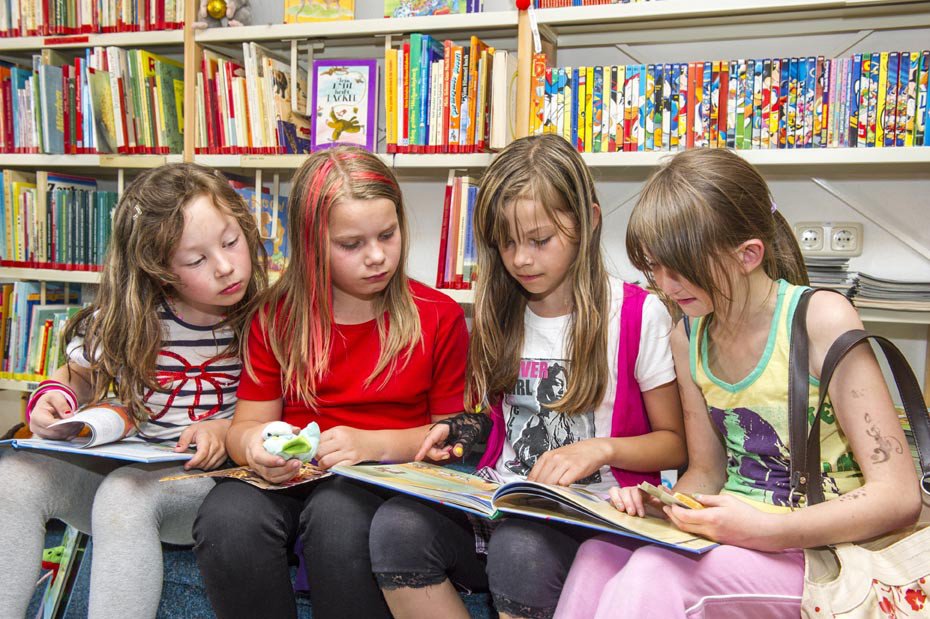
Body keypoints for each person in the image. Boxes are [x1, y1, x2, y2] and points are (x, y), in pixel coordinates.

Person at [555, 148, 921, 618]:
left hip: (824, 554)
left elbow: (899, 495)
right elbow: (706, 473)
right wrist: (663, 503)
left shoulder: (821, 318)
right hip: (737, 537)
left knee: (652, 574)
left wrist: (762, 531)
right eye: (654, 269)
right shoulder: (689, 334)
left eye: (679, 269)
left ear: (748, 255)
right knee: (595, 556)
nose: (664, 286)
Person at [368, 134, 686, 619]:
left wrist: (601, 448)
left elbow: (675, 444)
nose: (520, 259)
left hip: (595, 519)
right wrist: (458, 430)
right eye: (507, 243)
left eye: (540, 241)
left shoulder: (639, 316)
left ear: (589, 223)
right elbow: (502, 421)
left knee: (521, 547)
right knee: (396, 526)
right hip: (501, 504)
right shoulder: (501, 313)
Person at [192, 146, 469, 619]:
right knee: (227, 519)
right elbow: (245, 428)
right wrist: (254, 448)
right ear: (312, 243)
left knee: (338, 516)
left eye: (388, 234)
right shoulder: (275, 318)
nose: (377, 256)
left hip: (382, 475)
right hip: (291, 478)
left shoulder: (438, 316)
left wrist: (372, 444)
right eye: (351, 244)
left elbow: (455, 441)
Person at [0, 162, 267, 618]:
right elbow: (78, 374)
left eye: (230, 242)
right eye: (197, 259)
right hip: (132, 465)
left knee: (125, 492)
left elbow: (277, 415)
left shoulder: (264, 319)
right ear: (159, 270)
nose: (225, 267)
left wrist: (225, 429)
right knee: (13, 477)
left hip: (212, 484)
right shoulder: (131, 319)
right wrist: (56, 399)